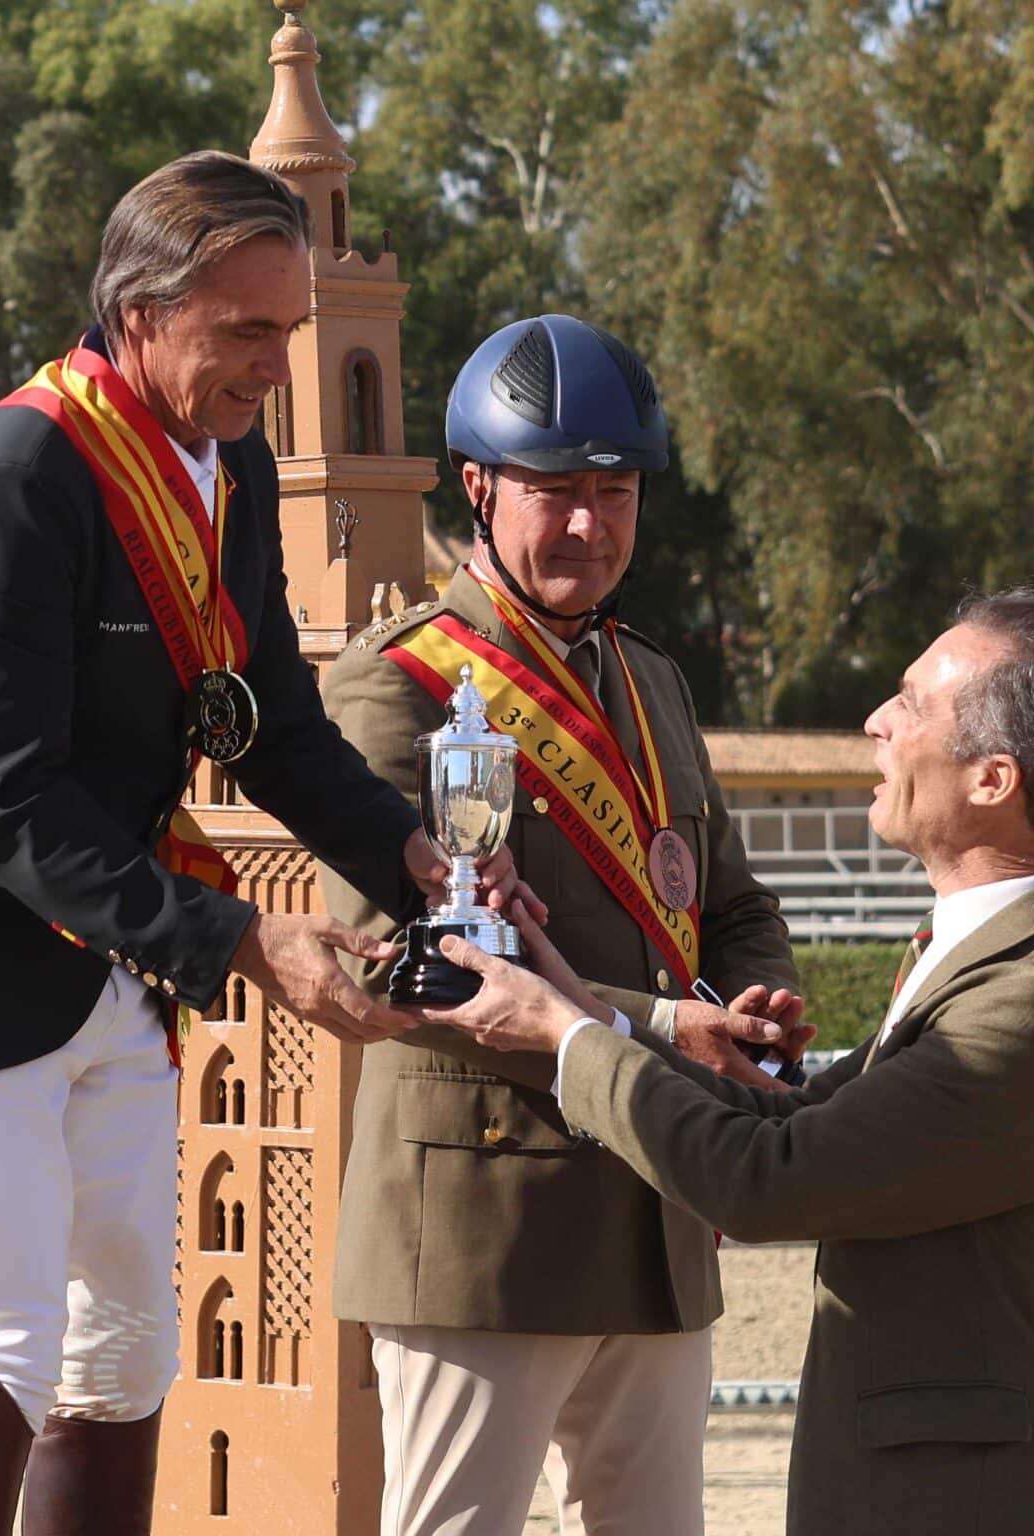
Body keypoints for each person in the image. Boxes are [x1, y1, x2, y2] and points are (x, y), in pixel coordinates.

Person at [0, 151, 529, 1536]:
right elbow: (0, 797)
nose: (277, 366)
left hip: (108, 955)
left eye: (292, 331)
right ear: (140, 315)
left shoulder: (229, 455)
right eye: (246, 332)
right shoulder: (7, 478)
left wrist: (414, 858)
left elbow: (269, 720)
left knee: (127, 1346)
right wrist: (246, 940)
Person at [424, 590, 1034, 1536]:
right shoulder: (995, 955)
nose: (877, 724)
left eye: (911, 704)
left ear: (993, 780)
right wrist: (564, 989)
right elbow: (794, 1122)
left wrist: (568, 1041)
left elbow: (772, 1183)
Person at [319, 314, 800, 1536]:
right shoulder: (398, 681)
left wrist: (753, 1001)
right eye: (555, 492)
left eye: (615, 490)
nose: (589, 524)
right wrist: (662, 1026)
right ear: (477, 490)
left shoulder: (654, 681)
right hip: (482, 1221)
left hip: (653, 1202)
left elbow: (728, 898)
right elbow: (402, 959)